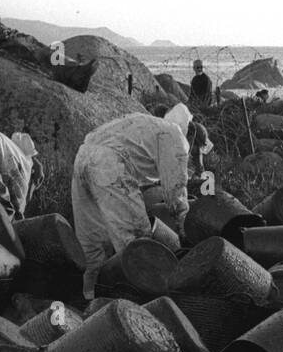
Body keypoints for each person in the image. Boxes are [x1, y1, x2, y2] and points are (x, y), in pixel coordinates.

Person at [71, 104, 210, 299]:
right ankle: (140, 302)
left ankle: (89, 302)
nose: (192, 157)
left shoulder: (147, 124)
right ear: (191, 136)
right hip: (110, 165)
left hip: (83, 158)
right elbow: (175, 190)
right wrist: (185, 229)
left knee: (95, 245)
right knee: (137, 242)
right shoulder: (175, 136)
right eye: (194, 151)